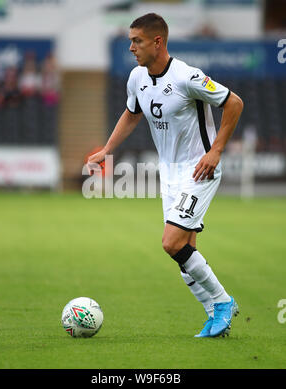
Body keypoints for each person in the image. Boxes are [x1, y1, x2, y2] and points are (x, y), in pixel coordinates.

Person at [87, 13, 244, 337]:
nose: (131, 47)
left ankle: (223, 302)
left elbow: (234, 103)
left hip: (199, 169)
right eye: (131, 40)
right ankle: (215, 315)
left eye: (137, 41)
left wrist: (215, 151)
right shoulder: (137, 78)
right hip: (169, 173)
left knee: (171, 243)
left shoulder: (188, 76)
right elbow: (132, 114)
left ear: (157, 42)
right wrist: (107, 149)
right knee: (186, 251)